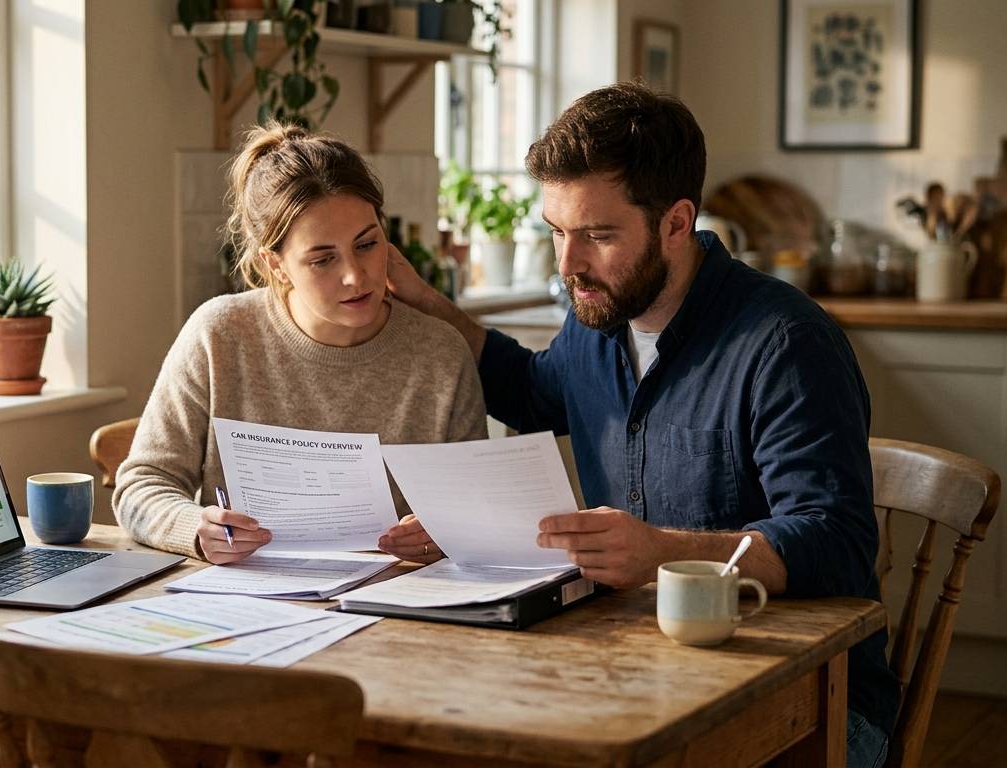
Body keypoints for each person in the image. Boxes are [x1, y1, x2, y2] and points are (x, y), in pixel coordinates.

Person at [383, 82, 900, 768]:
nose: (569, 266)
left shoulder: (786, 343)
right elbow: (533, 392)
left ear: (676, 224)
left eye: (597, 236)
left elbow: (836, 541)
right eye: (558, 233)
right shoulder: (597, 319)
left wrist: (659, 551)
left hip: (813, 702)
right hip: (642, 671)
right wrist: (424, 302)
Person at [113, 123, 486, 565]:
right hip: (248, 606)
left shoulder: (440, 354)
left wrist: (447, 531)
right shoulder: (219, 335)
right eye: (323, 258)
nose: (355, 275)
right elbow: (141, 485)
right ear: (277, 265)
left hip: (397, 609)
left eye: (367, 244)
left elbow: (479, 509)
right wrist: (196, 529)